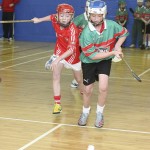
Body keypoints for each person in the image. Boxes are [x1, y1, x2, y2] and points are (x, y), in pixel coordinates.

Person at [78, 0, 129, 128]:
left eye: (99, 15)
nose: (95, 18)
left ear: (104, 14)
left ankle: (100, 113)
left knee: (103, 87)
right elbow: (92, 55)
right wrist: (112, 53)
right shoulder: (86, 33)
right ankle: (85, 111)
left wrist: (117, 46)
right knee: (88, 90)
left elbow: (124, 33)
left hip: (104, 61)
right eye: (93, 15)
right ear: (88, 14)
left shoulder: (111, 25)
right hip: (89, 62)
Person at [32, 4, 83, 114]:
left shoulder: (73, 29)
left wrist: (56, 59)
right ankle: (57, 104)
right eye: (62, 15)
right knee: (55, 75)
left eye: (67, 16)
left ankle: (83, 90)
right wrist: (39, 20)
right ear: (58, 15)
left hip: (73, 56)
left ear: (72, 17)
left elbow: (71, 50)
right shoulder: (55, 18)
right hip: (60, 51)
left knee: (79, 80)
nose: (64, 18)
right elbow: (51, 16)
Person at [70, 0, 94, 88]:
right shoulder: (80, 18)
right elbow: (70, 30)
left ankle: (86, 79)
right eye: (88, 7)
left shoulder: (95, 18)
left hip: (92, 45)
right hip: (80, 45)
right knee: (79, 63)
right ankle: (76, 80)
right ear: (85, 8)